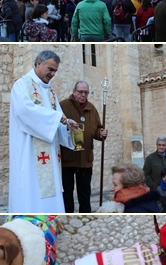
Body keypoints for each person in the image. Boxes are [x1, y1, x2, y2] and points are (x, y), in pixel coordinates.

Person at [8, 51, 76, 213]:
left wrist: (67, 125)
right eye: (50, 69)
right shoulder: (22, 85)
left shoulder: (51, 91)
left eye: (55, 71)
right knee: (30, 189)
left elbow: (58, 120)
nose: (52, 74)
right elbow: (25, 111)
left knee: (50, 188)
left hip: (50, 154)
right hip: (29, 151)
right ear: (39, 63)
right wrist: (56, 118)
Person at [59, 81, 107, 213]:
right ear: (74, 91)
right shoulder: (62, 106)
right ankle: (67, 216)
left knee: (85, 194)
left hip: (85, 160)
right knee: (66, 194)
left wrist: (101, 133)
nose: (83, 95)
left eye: (86, 92)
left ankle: (85, 214)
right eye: (80, 92)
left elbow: (97, 129)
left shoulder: (91, 108)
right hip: (67, 159)